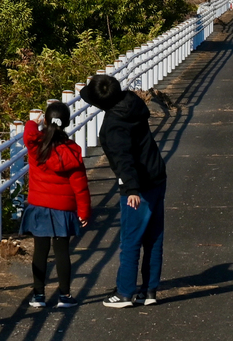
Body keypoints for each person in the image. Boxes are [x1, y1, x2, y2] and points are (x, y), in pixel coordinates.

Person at [79, 73, 166, 309]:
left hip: (138, 186)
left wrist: (132, 189)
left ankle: (125, 292)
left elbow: (123, 159)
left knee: (130, 239)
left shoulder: (113, 126)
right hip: (157, 175)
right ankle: (149, 290)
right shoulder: (131, 102)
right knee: (154, 238)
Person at [20, 100, 92, 309]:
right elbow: (80, 186)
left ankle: (38, 295)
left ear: (46, 120)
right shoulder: (72, 151)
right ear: (67, 123)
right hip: (63, 209)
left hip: (39, 206)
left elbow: (29, 134)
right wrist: (84, 212)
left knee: (40, 252)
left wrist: (33, 122)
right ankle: (65, 295)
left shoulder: (37, 145)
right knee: (62, 252)